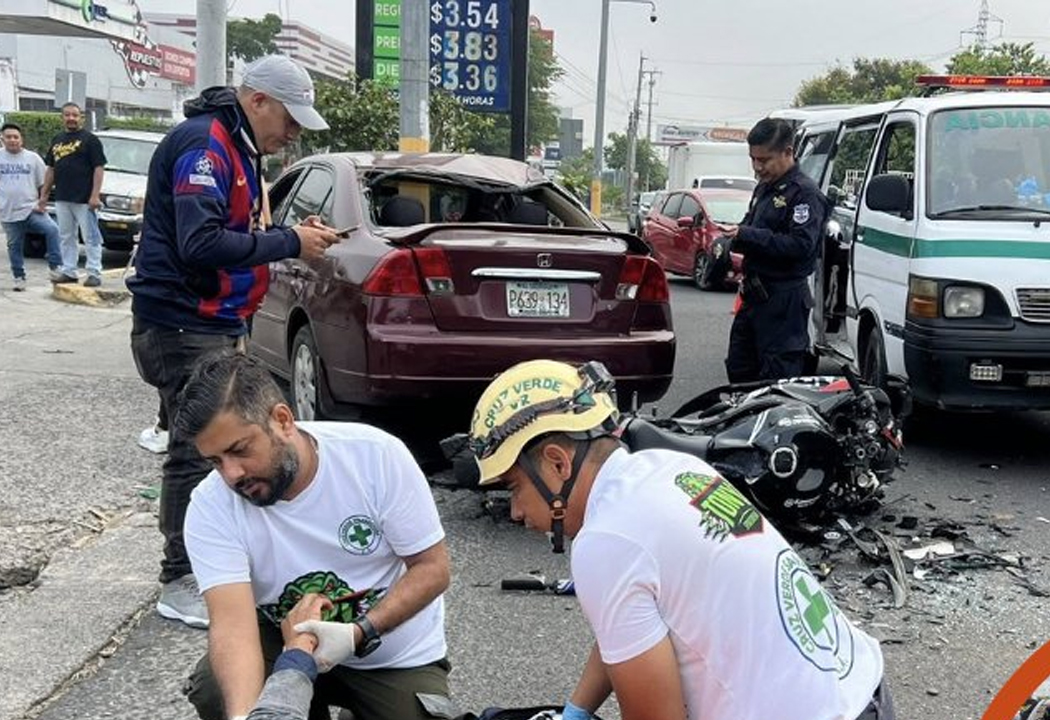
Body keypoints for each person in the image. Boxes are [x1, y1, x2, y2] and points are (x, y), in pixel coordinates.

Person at [464, 358, 894, 720]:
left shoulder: (606, 540)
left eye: (514, 487)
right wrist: (576, 711)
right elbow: (627, 627)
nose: (516, 511)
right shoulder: (668, 467)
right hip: (859, 688)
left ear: (557, 464)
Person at [126, 53, 341, 629]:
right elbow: (200, 244)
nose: (293, 133)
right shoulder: (206, 146)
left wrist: (286, 235)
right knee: (197, 449)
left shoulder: (239, 145)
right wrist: (289, 244)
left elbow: (235, 231)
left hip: (214, 320)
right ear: (257, 100)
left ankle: (212, 560)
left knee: (220, 443)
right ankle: (180, 578)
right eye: (289, 119)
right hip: (182, 322)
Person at [178, 352, 452, 720]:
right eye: (215, 461)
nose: (231, 474)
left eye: (239, 450)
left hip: (388, 654)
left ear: (282, 420)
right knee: (215, 690)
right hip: (284, 643)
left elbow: (432, 569)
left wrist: (358, 632)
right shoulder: (211, 505)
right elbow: (232, 626)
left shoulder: (375, 456)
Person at [718, 117, 827, 383]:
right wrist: (731, 239)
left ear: (788, 152)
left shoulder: (804, 193)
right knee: (740, 370)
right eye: (753, 159)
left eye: (764, 160)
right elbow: (750, 226)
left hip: (784, 301)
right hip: (753, 296)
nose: (757, 167)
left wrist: (747, 235)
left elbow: (801, 245)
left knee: (777, 378)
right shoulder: (764, 188)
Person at [40, 102, 106, 287]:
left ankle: (94, 272)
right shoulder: (57, 140)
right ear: (62, 117)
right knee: (66, 236)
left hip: (85, 199)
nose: (71, 118)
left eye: (75, 115)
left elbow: (99, 168)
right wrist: (44, 195)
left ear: (81, 118)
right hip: (62, 197)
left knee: (91, 236)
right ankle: (69, 271)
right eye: (67, 115)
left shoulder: (91, 140)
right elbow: (51, 169)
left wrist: (95, 195)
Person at [0, 122, 62, 290]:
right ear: (2, 139)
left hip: (31, 208)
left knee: (52, 229)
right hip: (8, 212)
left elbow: (45, 183)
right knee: (14, 245)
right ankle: (19, 277)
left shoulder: (33, 158)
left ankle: (55, 267)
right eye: (8, 137)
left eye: (16, 137)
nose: (13, 140)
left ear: (22, 139)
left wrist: (43, 201)